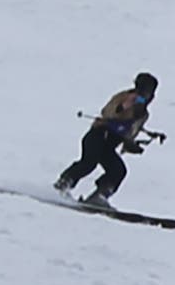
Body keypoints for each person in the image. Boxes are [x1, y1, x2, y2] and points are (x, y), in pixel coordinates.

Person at [57, 73, 162, 201]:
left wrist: (131, 145)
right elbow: (107, 111)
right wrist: (123, 107)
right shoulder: (123, 98)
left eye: (149, 94)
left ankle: (100, 195)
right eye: (144, 93)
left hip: (108, 146)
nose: (146, 97)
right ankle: (63, 183)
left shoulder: (143, 115)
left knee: (118, 170)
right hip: (97, 136)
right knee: (89, 163)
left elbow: (128, 135)